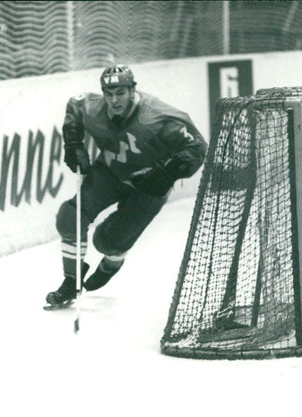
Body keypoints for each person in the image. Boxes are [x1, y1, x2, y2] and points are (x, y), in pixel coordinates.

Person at [45, 64, 208, 309]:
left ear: (132, 90)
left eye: (120, 93)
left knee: (107, 241)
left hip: (148, 187)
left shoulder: (157, 116)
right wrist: (73, 143)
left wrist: (166, 173)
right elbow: (74, 107)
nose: (114, 100)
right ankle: (71, 280)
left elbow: (197, 146)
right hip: (109, 173)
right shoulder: (94, 108)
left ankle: (113, 259)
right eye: (108, 94)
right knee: (69, 217)